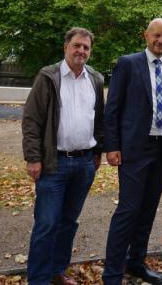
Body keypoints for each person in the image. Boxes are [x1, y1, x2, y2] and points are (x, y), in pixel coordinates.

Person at [102, 18, 162, 285]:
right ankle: (112, 273)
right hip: (133, 150)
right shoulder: (128, 64)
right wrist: (112, 145)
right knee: (128, 210)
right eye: (156, 36)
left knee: (148, 209)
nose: (161, 41)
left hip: (161, 151)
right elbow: (113, 107)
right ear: (146, 36)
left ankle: (136, 262)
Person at [22, 27, 105, 285]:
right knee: (47, 224)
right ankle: (38, 279)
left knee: (68, 222)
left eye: (86, 47)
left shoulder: (95, 79)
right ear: (66, 47)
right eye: (77, 45)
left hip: (83, 163)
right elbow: (31, 120)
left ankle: (57, 271)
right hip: (53, 164)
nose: (81, 51)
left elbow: (99, 120)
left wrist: (97, 151)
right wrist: (33, 157)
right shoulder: (48, 77)